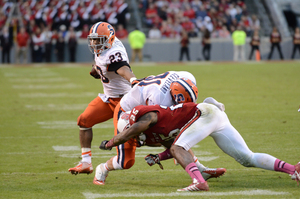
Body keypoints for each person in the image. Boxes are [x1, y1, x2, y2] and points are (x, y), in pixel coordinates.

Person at [100, 97, 300, 192]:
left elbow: (142, 127)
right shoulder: (151, 130)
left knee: (180, 147)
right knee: (247, 158)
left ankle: (199, 182)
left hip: (205, 113)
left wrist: (113, 141)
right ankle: (294, 169)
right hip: (213, 116)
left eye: (129, 131)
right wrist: (159, 157)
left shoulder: (144, 116)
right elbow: (173, 149)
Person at [93, 74, 226, 185]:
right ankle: (102, 169)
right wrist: (111, 142)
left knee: (176, 138)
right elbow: (155, 129)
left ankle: (199, 170)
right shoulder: (160, 99)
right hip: (126, 114)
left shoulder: (186, 78)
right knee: (125, 162)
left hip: (146, 105)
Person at [68, 21, 137, 175]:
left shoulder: (114, 52)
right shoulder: (105, 45)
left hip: (124, 102)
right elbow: (102, 60)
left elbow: (123, 69)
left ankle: (180, 150)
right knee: (84, 120)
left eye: (98, 40)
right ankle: (86, 163)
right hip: (108, 98)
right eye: (93, 39)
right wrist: (96, 69)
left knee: (127, 159)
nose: (94, 43)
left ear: (109, 39)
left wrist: (134, 80)